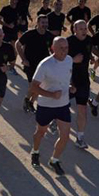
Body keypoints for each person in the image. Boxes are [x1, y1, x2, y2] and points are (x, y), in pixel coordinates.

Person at [29, 37, 74, 176]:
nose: (64, 51)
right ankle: (35, 152)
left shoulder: (69, 60)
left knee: (65, 136)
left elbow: (66, 76)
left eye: (66, 47)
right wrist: (51, 94)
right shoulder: (45, 65)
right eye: (60, 48)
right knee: (41, 132)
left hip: (63, 105)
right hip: (46, 105)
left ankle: (54, 160)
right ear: (53, 48)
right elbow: (33, 87)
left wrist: (70, 87)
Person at [16, 15, 55, 113]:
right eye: (43, 23)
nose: (45, 25)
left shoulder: (49, 36)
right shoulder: (30, 34)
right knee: (33, 86)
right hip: (30, 64)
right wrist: (23, 59)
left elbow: (53, 49)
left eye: (46, 23)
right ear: (37, 23)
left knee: (40, 86)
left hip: (43, 65)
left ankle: (31, 102)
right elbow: (17, 44)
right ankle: (27, 99)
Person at [67, 20, 93, 149]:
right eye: (81, 28)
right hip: (68, 80)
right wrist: (73, 59)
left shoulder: (89, 40)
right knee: (60, 105)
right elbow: (58, 59)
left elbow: (89, 52)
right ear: (74, 29)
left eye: (85, 28)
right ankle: (54, 119)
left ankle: (80, 137)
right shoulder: (68, 42)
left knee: (82, 109)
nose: (84, 31)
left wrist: (92, 57)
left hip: (83, 80)